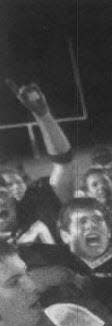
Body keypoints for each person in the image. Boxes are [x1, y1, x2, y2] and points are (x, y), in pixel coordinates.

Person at [1, 82, 76, 245]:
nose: (13, 188)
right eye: (5, 186)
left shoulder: (40, 199)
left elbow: (64, 161)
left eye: (17, 181)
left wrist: (43, 116)